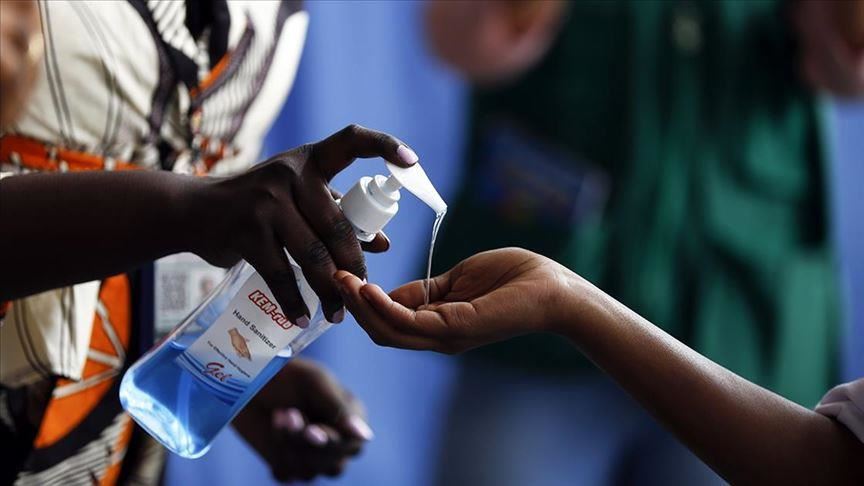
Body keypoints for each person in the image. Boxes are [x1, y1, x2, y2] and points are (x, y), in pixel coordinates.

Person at [424, 0, 864, 483]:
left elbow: (844, 66)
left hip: (739, 327)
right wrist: (502, 22)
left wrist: (842, 44)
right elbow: (457, 38)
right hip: (540, 315)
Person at [0, 1, 415, 483]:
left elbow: (204, 206)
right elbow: (198, 209)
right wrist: (189, 210)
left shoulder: (285, 12)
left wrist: (220, 356)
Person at [336, 247, 864, 485]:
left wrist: (564, 299)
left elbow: (832, 467)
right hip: (546, 353)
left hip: (738, 327)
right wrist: (564, 297)